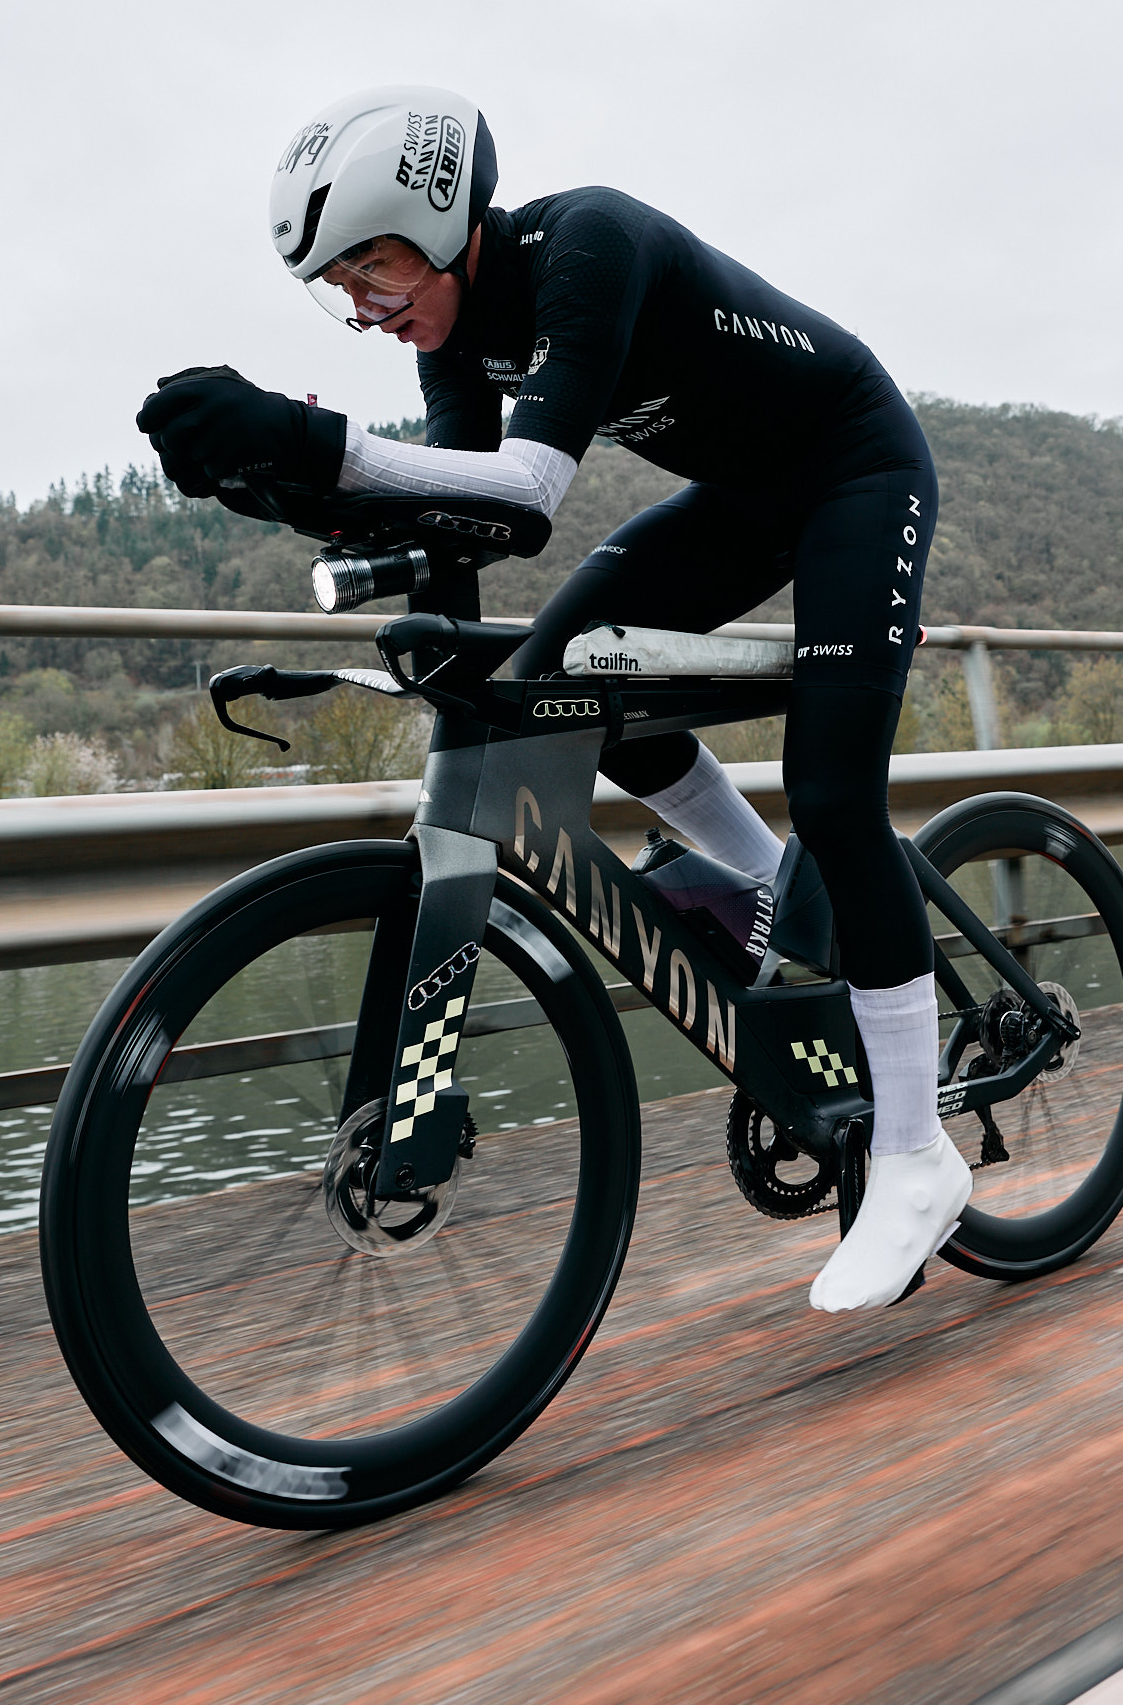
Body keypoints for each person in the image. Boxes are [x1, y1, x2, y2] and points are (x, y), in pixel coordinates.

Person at [137, 84, 972, 1311]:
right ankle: (768, 898)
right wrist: (287, 487)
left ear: (438, 219)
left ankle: (914, 1153)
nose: (363, 308)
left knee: (834, 794)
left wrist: (321, 444)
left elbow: (525, 491)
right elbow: (461, 514)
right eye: (339, 287)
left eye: (371, 270)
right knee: (569, 678)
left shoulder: (586, 244)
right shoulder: (451, 339)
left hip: (855, 465)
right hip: (742, 499)